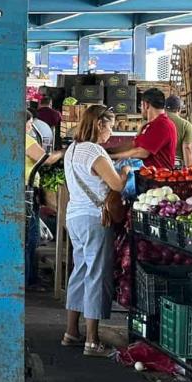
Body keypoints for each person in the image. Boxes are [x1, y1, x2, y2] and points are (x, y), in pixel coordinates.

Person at [61, 104, 131, 357]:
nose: (111, 132)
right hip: (95, 219)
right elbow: (117, 185)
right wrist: (125, 170)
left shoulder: (72, 150)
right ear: (99, 124)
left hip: (75, 218)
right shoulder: (95, 151)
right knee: (97, 275)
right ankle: (92, 341)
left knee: (80, 271)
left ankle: (71, 332)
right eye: (110, 126)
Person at [26, 111, 63, 289]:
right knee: (30, 237)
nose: (31, 127)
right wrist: (61, 153)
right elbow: (45, 159)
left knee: (29, 236)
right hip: (26, 191)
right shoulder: (26, 139)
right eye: (29, 123)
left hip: (25, 189)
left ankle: (29, 277)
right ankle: (29, 279)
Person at [111, 88, 176, 170]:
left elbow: (142, 152)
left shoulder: (162, 124)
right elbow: (134, 144)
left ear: (146, 105)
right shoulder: (149, 125)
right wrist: (110, 151)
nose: (141, 109)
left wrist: (112, 156)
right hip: (146, 175)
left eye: (141, 105)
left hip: (157, 178)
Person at [165, 95, 192, 168]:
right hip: (175, 165)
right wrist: (189, 169)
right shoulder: (185, 125)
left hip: (155, 165)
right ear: (179, 109)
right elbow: (187, 147)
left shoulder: (154, 121)